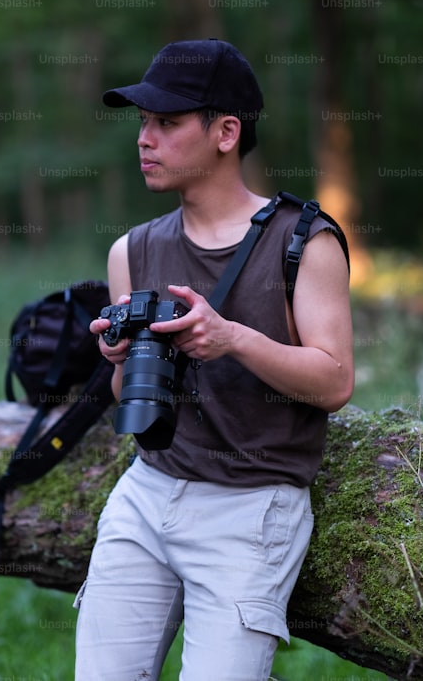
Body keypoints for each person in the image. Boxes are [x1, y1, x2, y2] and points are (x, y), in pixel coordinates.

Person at [74, 38, 354, 681]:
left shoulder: (304, 242)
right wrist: (119, 357)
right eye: (143, 122)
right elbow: (129, 394)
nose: (145, 139)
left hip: (250, 510)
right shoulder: (132, 251)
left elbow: (335, 380)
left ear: (226, 132)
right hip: (147, 493)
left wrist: (232, 339)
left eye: (167, 123)